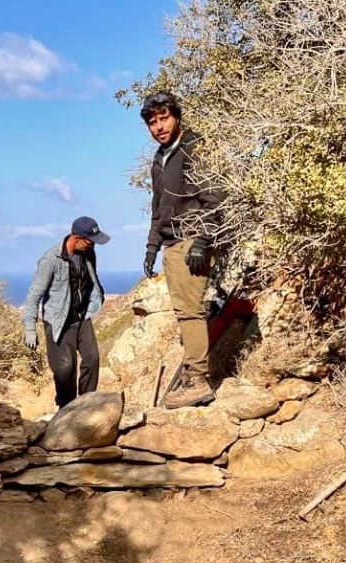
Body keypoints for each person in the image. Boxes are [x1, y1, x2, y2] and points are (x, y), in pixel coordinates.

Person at [141, 91, 226, 409]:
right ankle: (195, 376)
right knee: (184, 311)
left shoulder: (194, 147)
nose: (159, 126)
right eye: (153, 122)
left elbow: (214, 198)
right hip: (171, 241)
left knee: (190, 311)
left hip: (191, 240)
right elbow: (158, 206)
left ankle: (198, 380)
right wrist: (152, 246)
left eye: (164, 118)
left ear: (176, 117)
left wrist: (203, 241)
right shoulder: (160, 158)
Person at [23, 216, 108, 409]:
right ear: (76, 238)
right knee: (65, 369)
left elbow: (91, 277)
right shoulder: (50, 260)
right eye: (90, 241)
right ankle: (66, 408)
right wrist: (29, 326)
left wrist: (99, 293)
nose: (93, 246)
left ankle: (86, 404)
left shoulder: (89, 253)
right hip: (59, 321)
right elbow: (34, 295)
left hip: (82, 316)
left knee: (92, 359)